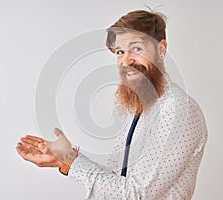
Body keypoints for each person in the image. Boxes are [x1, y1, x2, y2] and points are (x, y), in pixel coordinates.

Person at [16, 9, 208, 200]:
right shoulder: (138, 107)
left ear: (161, 49)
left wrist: (73, 163)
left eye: (137, 49)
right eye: (120, 51)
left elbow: (138, 194)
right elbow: (119, 181)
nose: (126, 60)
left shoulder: (177, 110)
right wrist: (65, 159)